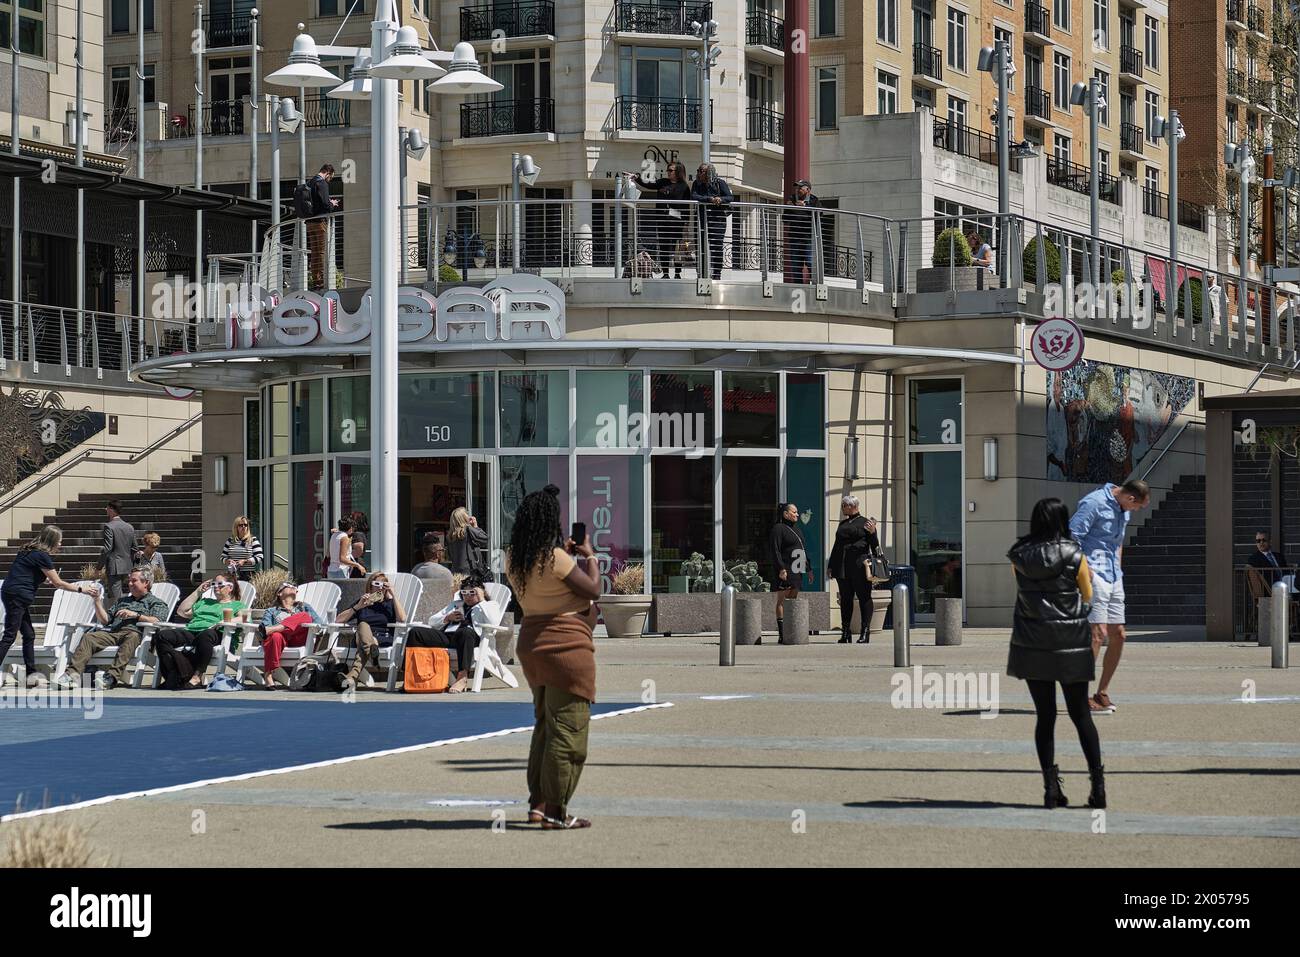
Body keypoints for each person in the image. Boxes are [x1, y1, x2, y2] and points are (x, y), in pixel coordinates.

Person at [507, 488, 601, 830]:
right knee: (569, 731)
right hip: (566, 647)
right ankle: (556, 813)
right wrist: (589, 556)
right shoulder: (557, 559)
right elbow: (593, 590)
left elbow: (546, 586)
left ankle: (538, 804)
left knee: (546, 727)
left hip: (532, 644)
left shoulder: (514, 557)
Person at [1008, 497, 1105, 810]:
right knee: (1081, 715)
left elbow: (1023, 591)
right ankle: (1097, 788)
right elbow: (1087, 596)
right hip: (1071, 642)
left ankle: (1051, 789)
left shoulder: (1019, 555)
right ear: (1062, 519)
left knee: (1045, 717)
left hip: (1033, 642)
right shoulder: (1075, 555)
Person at [1069, 478, 1150, 713]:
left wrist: (1119, 568)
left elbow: (1118, 542)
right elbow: (1072, 536)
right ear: (1130, 498)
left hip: (1114, 576)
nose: (1135, 511)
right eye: (1137, 506)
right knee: (1097, 634)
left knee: (1119, 634)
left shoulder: (1123, 509)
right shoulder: (1093, 503)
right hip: (1094, 574)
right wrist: (1086, 570)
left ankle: (1101, 692)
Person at [2, 526, 96, 688]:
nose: (60, 544)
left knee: (29, 634)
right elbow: (59, 583)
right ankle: (31, 674)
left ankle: (31, 675)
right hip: (18, 596)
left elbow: (26, 572)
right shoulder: (42, 556)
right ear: (52, 541)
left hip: (12, 593)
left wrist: (43, 578)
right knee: (10, 636)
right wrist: (82, 589)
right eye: (59, 541)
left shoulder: (27, 550)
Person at [58, 567, 169, 691]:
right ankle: (71, 676)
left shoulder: (156, 602)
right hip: (113, 633)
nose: (130, 583)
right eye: (129, 580)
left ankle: (110, 678)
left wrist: (135, 615)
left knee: (132, 636)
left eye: (134, 581)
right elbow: (105, 620)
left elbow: (158, 621)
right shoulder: (122, 601)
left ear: (146, 583)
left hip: (136, 634)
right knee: (89, 637)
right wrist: (96, 601)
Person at [403, 576, 501, 694]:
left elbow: (494, 622)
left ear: (480, 592)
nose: (468, 596)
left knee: (465, 631)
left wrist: (481, 599)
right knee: (416, 632)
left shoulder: (490, 605)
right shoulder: (456, 604)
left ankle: (462, 677)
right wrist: (447, 618)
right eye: (464, 593)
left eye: (472, 593)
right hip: (449, 637)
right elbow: (432, 621)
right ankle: (412, 676)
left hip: (471, 638)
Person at [149, 575, 246, 690]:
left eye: (220, 584)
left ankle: (197, 676)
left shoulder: (237, 605)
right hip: (192, 631)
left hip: (217, 633)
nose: (215, 587)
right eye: (214, 584)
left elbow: (244, 619)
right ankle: (175, 674)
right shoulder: (204, 602)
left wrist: (222, 622)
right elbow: (181, 611)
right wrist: (197, 592)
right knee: (162, 636)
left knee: (206, 634)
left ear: (230, 588)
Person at [334, 571, 407, 693]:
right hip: (362, 636)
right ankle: (372, 651)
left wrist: (393, 594)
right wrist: (358, 606)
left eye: (384, 585)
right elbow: (338, 620)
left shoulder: (389, 604)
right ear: (370, 586)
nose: (380, 587)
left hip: (382, 638)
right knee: (362, 626)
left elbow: (403, 618)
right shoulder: (362, 602)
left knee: (365, 644)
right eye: (377, 583)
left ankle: (352, 677)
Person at [827, 496, 879, 644]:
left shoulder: (866, 523)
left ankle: (865, 631)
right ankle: (845, 632)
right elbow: (836, 546)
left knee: (864, 598)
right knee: (845, 600)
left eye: (844, 505)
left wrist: (873, 532)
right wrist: (831, 565)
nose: (842, 508)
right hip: (842, 566)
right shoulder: (842, 524)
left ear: (852, 506)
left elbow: (874, 545)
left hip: (859, 565)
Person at [630, 161, 692, 278]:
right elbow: (649, 184)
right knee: (664, 246)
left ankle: (677, 273)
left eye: (671, 170)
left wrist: (686, 225)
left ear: (678, 172)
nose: (668, 172)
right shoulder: (663, 182)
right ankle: (666, 273)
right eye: (667, 170)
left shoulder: (684, 187)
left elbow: (686, 208)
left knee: (676, 248)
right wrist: (637, 178)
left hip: (676, 222)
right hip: (662, 220)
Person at [256, 581, 322, 690]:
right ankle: (268, 675)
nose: (292, 588)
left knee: (304, 616)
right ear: (279, 593)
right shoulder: (271, 611)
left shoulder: (304, 607)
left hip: (300, 639)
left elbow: (320, 623)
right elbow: (265, 628)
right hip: (281, 641)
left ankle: (276, 628)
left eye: (294, 587)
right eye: (288, 586)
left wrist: (277, 628)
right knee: (275, 636)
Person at [769, 502, 811, 644]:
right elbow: (775, 550)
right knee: (782, 600)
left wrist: (809, 569)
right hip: (785, 568)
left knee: (793, 599)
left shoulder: (797, 529)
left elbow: (803, 549)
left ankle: (791, 629)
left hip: (797, 569)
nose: (797, 515)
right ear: (785, 514)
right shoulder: (778, 528)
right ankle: (782, 633)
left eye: (797, 512)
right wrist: (781, 568)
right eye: (794, 512)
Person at [691, 162, 733, 281]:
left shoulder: (720, 183)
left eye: (701, 171)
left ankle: (717, 273)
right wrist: (709, 199)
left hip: (717, 220)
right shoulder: (696, 184)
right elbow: (694, 196)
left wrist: (720, 199)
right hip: (701, 219)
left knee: (716, 246)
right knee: (700, 246)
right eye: (698, 170)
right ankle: (702, 272)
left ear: (709, 172)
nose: (698, 173)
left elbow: (730, 197)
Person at [305, 163, 340, 288]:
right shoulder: (322, 183)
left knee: (314, 252)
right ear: (328, 173)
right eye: (331, 178)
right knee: (320, 252)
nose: (329, 180)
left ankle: (316, 281)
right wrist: (333, 204)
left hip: (309, 222)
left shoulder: (310, 182)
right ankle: (320, 282)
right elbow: (325, 205)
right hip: (319, 222)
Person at [100, 501, 136, 597]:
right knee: (132, 595)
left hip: (115, 567)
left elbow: (107, 548)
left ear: (112, 510)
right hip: (128, 566)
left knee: (115, 598)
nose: (105, 510)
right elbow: (135, 548)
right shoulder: (129, 527)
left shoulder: (109, 526)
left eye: (107, 508)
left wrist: (99, 566)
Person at [787, 179, 819, 283]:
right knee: (796, 264)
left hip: (809, 238)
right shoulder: (791, 198)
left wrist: (804, 207)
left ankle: (814, 283)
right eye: (797, 187)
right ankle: (798, 286)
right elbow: (786, 217)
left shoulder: (814, 200)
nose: (798, 189)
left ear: (808, 190)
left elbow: (819, 215)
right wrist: (799, 210)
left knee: (810, 262)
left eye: (800, 187)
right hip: (795, 237)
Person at [448, 506, 490, 579]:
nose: (469, 515)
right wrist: (475, 526)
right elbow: (484, 538)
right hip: (469, 572)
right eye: (467, 513)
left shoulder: (450, 535)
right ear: (463, 518)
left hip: (456, 572)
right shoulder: (468, 530)